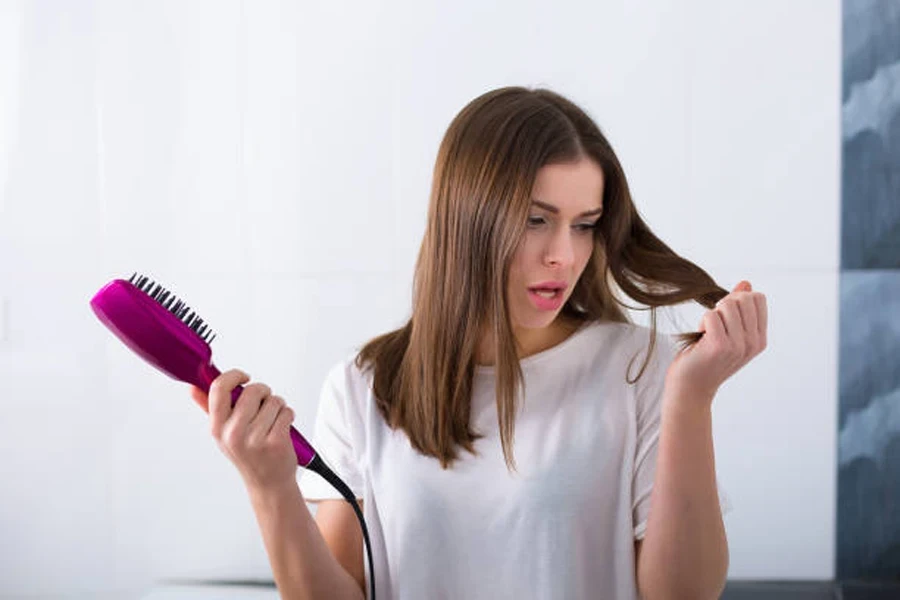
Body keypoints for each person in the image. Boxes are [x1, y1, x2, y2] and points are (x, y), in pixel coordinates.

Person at [190, 86, 768, 600]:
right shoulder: (362, 386)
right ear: (469, 219)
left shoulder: (642, 370)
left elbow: (685, 593)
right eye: (536, 220)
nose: (563, 255)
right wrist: (269, 487)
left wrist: (691, 399)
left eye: (585, 223)